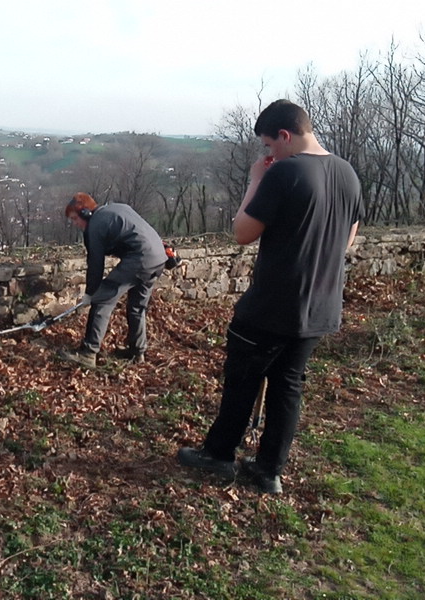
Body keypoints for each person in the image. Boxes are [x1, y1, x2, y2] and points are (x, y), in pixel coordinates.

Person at [177, 99, 363, 494]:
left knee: (242, 379)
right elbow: (347, 239)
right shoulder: (347, 173)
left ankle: (219, 454)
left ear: (284, 135)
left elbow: (242, 233)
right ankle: (268, 470)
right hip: (320, 306)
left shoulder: (287, 172)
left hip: (272, 305)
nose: (268, 154)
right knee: (288, 386)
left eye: (269, 145)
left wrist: (256, 180)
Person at [58, 192, 168, 368]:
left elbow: (95, 263)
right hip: (158, 258)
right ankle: (137, 352)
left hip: (139, 259)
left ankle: (88, 352)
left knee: (103, 301)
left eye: (74, 218)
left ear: (85, 213)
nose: (75, 224)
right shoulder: (118, 208)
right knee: (137, 307)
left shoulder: (94, 225)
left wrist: (91, 293)